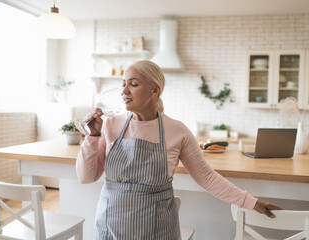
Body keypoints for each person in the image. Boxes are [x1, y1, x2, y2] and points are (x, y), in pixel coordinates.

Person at [76, 60, 282, 239]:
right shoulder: (110, 125)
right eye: (123, 84)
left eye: (133, 84)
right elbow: (86, 177)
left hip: (155, 229)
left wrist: (251, 202)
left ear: (154, 90)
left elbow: (207, 177)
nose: (124, 91)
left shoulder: (177, 131)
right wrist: (92, 138)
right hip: (110, 225)